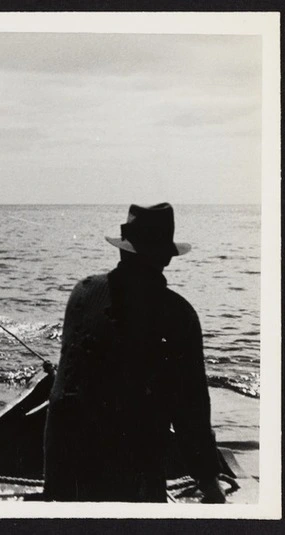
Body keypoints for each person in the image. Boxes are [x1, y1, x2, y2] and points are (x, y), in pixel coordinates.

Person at [43, 203, 226, 503]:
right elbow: (190, 412)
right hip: (128, 481)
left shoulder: (82, 292)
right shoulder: (179, 315)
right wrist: (209, 483)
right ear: (166, 258)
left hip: (62, 474)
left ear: (122, 251)